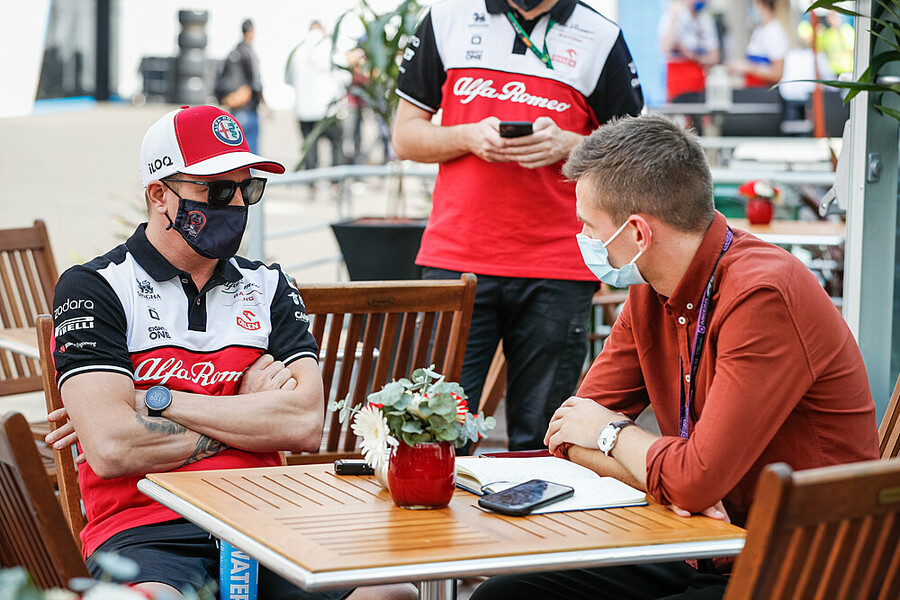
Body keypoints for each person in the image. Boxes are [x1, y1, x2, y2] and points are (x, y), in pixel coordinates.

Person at [470, 114, 880, 600]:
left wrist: (613, 435)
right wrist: (676, 483)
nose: (582, 237)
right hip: (702, 538)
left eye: (588, 225)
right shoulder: (649, 289)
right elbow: (567, 434)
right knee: (505, 596)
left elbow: (663, 461)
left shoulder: (763, 294)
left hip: (802, 565)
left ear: (638, 233)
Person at [43, 105, 415, 600]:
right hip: (147, 529)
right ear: (159, 194)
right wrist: (245, 415)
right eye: (218, 190)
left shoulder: (270, 285)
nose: (237, 203)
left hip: (267, 518)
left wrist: (155, 400)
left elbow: (304, 424)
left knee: (391, 594)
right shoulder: (95, 287)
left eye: (249, 188)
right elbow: (113, 448)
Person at [392, 0, 644, 451]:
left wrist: (571, 145)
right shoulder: (446, 18)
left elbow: (634, 155)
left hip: (558, 266)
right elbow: (405, 136)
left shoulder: (601, 35)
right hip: (456, 259)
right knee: (434, 438)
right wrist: (467, 136)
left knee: (543, 439)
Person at [286, 21, 349, 172]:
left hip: (304, 111)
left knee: (310, 151)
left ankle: (311, 182)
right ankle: (335, 181)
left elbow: (288, 79)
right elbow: (345, 77)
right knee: (336, 146)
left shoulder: (298, 50)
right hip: (329, 111)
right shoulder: (330, 47)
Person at [658, 0, 720, 101]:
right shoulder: (672, 17)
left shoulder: (705, 20)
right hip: (677, 80)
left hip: (699, 81)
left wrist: (692, 56)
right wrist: (674, 17)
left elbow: (714, 57)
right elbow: (665, 48)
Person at [727, 0, 788, 88]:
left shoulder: (775, 32)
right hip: (751, 88)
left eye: (755, 4)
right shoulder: (759, 30)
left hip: (765, 92)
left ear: (764, 6)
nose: (753, 9)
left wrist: (749, 68)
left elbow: (777, 73)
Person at [223, 19, 264, 153]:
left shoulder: (233, 52)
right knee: (252, 152)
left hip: (234, 109)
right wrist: (263, 101)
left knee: (235, 150)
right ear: (251, 32)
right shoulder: (249, 53)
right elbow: (256, 81)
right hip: (249, 108)